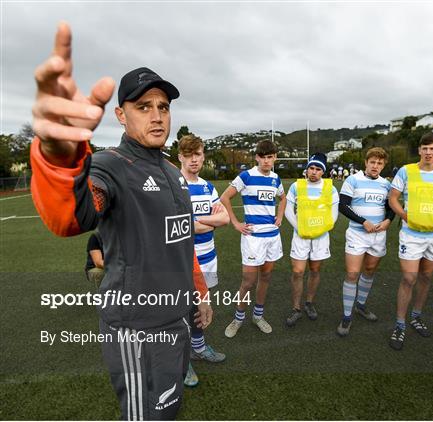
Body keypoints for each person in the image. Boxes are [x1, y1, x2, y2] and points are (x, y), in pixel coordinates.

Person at [30, 22, 212, 420]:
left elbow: (179, 242)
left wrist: (198, 290)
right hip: (137, 329)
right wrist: (60, 158)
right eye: (143, 107)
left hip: (176, 318)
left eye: (163, 106)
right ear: (119, 114)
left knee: (169, 411)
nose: (157, 115)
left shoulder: (172, 171)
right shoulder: (109, 166)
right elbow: (69, 217)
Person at [388, 132, 433, 351]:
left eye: (432, 148)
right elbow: (393, 198)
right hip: (412, 235)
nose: (428, 152)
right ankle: (400, 324)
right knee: (409, 278)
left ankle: (416, 316)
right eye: (424, 148)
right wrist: (406, 216)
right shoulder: (406, 171)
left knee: (426, 276)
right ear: (419, 150)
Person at [220, 139, 286, 338]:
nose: (267, 161)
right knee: (248, 281)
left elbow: (283, 198)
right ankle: (238, 318)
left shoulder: (275, 178)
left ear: (275, 158)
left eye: (270, 157)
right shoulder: (246, 176)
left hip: (272, 237)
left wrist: (280, 216)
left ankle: (258, 316)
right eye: (263, 157)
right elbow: (224, 197)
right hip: (252, 238)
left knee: (266, 277)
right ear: (257, 157)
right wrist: (236, 222)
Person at [178, 134, 229, 386]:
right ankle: (182, 359)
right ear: (180, 157)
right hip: (183, 261)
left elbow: (225, 220)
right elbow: (180, 226)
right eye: (189, 155)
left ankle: (198, 348)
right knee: (183, 311)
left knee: (200, 308)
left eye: (198, 154)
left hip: (208, 258)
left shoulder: (209, 187)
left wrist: (200, 222)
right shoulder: (175, 186)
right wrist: (207, 222)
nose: (194, 160)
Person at [336, 147, 394, 336]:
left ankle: (360, 305)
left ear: (383, 165)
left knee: (369, 271)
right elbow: (343, 205)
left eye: (379, 163)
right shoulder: (353, 180)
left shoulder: (386, 185)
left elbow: (391, 208)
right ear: (366, 163)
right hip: (357, 234)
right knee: (352, 273)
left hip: (378, 235)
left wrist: (387, 221)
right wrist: (363, 222)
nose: (375, 166)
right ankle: (346, 317)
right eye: (373, 162)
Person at [284, 153, 339, 326]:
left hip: (320, 236)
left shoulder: (330, 188)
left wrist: (319, 230)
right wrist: (299, 228)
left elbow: (333, 214)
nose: (314, 172)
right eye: (311, 168)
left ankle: (309, 303)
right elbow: (287, 210)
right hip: (300, 235)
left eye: (318, 169)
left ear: (323, 171)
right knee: (298, 271)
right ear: (307, 169)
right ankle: (296, 308)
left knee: (315, 270)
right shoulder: (296, 186)